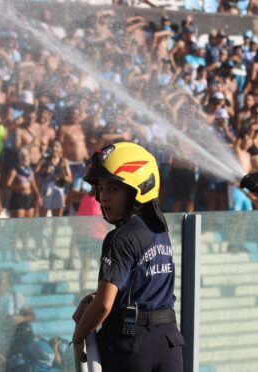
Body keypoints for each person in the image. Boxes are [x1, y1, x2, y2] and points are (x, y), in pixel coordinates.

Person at [71, 142, 183, 372]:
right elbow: (141, 286)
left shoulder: (119, 238)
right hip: (169, 343)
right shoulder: (160, 229)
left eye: (113, 188)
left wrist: (79, 334)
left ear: (138, 188)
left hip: (130, 346)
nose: (103, 197)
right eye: (101, 188)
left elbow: (104, 305)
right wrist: (95, 296)